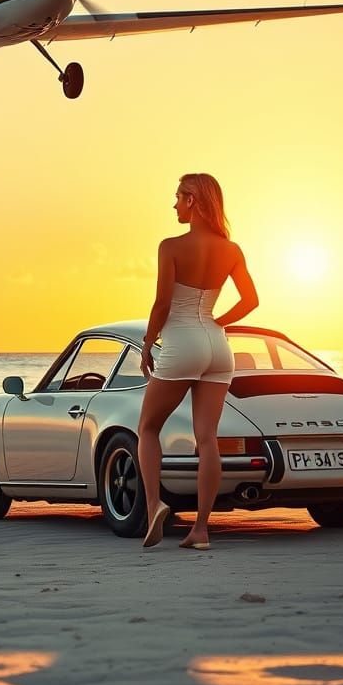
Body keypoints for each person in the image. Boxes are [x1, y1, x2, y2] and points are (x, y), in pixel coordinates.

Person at [138, 173, 258, 550]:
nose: (174, 204)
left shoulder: (171, 246)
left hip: (181, 342)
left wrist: (147, 342)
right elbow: (251, 300)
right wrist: (217, 323)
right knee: (207, 439)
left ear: (192, 200)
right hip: (218, 346)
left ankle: (154, 505)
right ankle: (201, 530)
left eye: (178, 197)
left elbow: (162, 304)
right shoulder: (231, 249)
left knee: (147, 428)